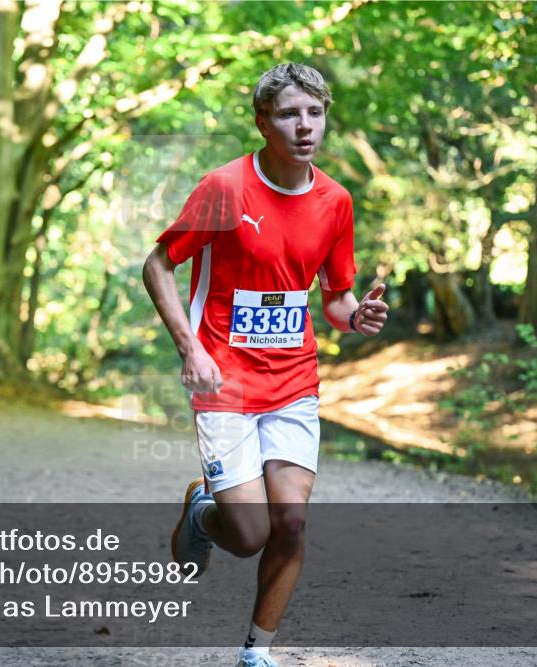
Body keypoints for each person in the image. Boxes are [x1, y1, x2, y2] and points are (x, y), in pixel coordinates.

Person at [142, 63, 389, 667]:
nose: (304, 126)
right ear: (263, 121)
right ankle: (203, 510)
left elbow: (333, 298)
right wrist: (190, 347)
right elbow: (157, 265)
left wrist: (356, 318)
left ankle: (257, 652)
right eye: (288, 114)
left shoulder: (335, 201)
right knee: (249, 535)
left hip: (293, 380)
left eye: (314, 112)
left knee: (292, 521)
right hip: (223, 377)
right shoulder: (226, 188)